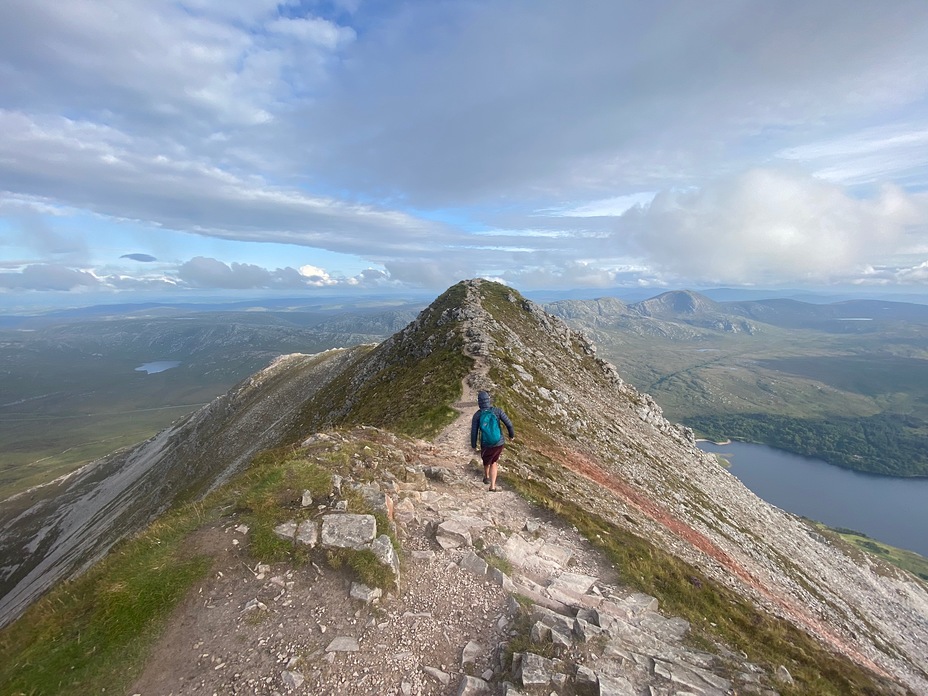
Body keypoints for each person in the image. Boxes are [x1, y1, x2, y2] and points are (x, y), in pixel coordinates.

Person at [470, 390, 515, 492]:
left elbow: (474, 432)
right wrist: (511, 436)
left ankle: (486, 477)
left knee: (486, 460)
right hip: (499, 442)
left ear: (479, 402)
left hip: (486, 444)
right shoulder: (497, 411)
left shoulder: (477, 415)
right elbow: (509, 424)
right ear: (488, 400)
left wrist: (473, 445)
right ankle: (493, 486)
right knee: (494, 462)